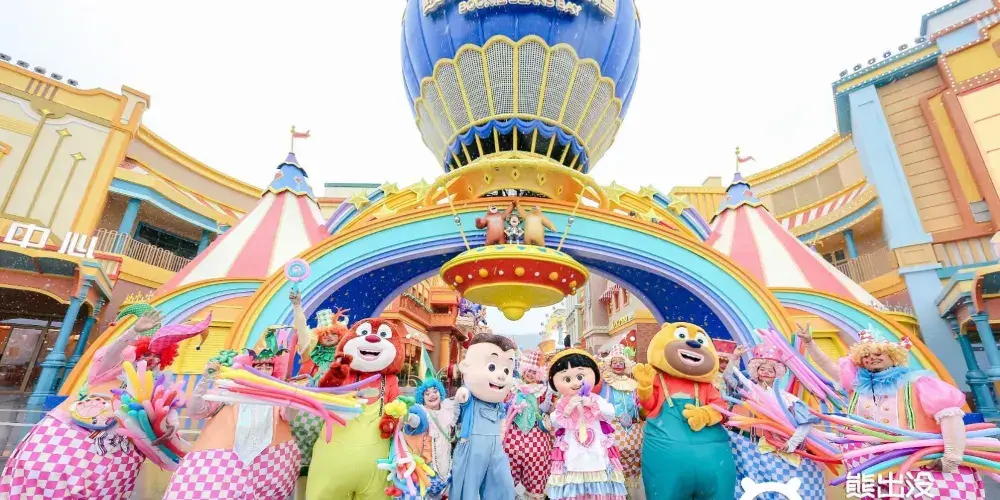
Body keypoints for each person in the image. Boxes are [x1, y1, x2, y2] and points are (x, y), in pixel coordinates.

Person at [0, 310, 210, 499]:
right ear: (135, 354)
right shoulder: (109, 372)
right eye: (146, 354)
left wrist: (170, 427)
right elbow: (111, 353)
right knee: (43, 482)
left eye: (157, 357)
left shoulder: (155, 388)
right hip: (67, 440)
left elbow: (164, 415)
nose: (151, 360)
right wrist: (133, 331)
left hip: (115, 456)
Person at [798, 325, 985, 499]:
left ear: (893, 357)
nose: (872, 358)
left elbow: (951, 417)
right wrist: (810, 343)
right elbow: (827, 365)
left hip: (918, 460)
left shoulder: (918, 383)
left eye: (878, 353)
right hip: (871, 463)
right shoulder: (857, 385)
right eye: (866, 356)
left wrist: (951, 457)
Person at [163, 326, 305, 499]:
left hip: (267, 466)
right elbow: (196, 412)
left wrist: (292, 397)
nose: (263, 369)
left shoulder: (278, 396)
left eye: (268, 365)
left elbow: (289, 416)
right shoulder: (229, 391)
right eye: (258, 365)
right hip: (223, 463)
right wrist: (206, 379)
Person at [306, 317, 409, 500]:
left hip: (374, 464)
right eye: (365, 333)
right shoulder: (344, 372)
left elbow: (397, 407)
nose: (372, 339)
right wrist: (335, 374)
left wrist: (391, 419)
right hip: (334, 459)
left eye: (382, 335)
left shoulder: (390, 380)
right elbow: (326, 391)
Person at [632, 322, 735, 500]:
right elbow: (648, 405)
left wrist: (705, 414)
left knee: (719, 490)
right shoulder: (658, 379)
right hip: (667, 455)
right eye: (681, 336)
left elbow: (721, 407)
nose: (693, 344)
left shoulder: (706, 386)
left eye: (700, 341)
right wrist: (645, 387)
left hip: (711, 455)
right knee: (666, 491)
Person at [728, 343, 826, 499]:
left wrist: (793, 442)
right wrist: (735, 357)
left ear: (776, 374)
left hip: (775, 450)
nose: (766, 372)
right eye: (762, 369)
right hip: (746, 447)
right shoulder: (747, 390)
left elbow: (807, 421)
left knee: (776, 487)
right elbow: (729, 378)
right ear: (756, 371)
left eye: (770, 370)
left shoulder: (786, 398)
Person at [546, 348, 627, 500]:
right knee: (574, 467)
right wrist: (567, 410)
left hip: (597, 446)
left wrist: (592, 404)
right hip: (572, 446)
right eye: (567, 379)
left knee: (598, 466)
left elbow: (610, 413)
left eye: (580, 376)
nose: (575, 383)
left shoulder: (596, 399)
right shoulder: (563, 402)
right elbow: (555, 421)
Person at [451, 333, 519, 500]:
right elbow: (461, 399)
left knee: (503, 484)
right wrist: (462, 394)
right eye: (491, 367)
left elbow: (502, 420)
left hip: (495, 448)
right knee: (468, 486)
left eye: (506, 370)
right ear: (466, 367)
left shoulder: (498, 404)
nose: (502, 375)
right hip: (472, 446)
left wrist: (501, 435)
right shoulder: (470, 398)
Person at [503, 349, 555, 500]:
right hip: (514, 431)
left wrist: (549, 396)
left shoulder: (541, 390)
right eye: (529, 371)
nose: (530, 375)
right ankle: (507, 491)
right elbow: (504, 404)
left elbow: (545, 408)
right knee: (508, 458)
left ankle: (533, 493)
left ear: (538, 375)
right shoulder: (513, 386)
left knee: (537, 459)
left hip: (536, 432)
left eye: (534, 372)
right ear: (523, 371)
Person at [598, 344, 645, 499]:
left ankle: (631, 493)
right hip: (613, 429)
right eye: (615, 362)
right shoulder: (605, 383)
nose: (618, 365)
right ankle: (614, 493)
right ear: (609, 364)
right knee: (613, 461)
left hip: (633, 431)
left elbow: (638, 405)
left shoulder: (632, 383)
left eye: (621, 362)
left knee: (634, 461)